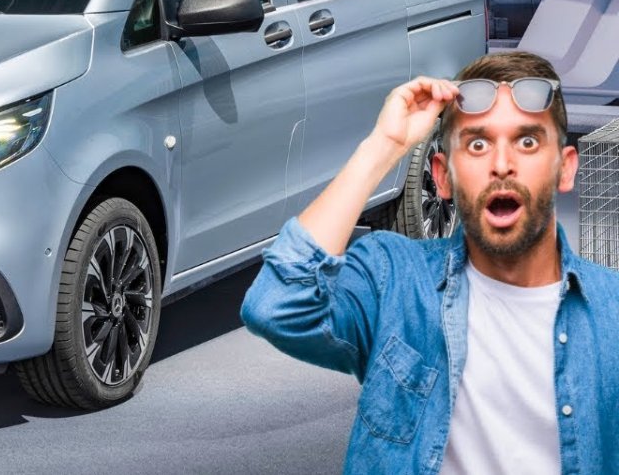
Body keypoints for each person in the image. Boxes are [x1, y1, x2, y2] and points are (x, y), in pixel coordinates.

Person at [240, 51, 619, 474]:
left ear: (565, 169)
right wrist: (383, 148)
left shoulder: (613, 313)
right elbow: (276, 305)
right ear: (442, 176)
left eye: (527, 142)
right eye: (477, 144)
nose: (501, 165)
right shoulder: (394, 278)